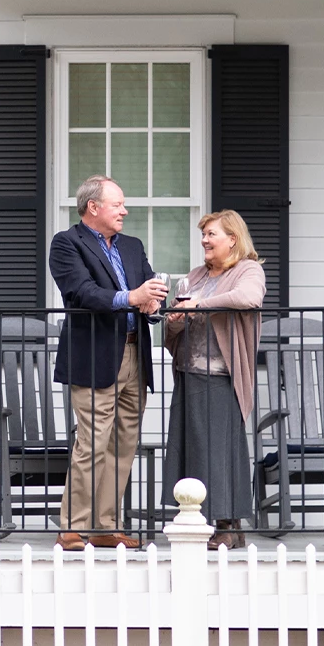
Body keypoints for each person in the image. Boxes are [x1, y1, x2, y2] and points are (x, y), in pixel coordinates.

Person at [49, 175, 167, 550]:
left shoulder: (132, 246)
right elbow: (82, 292)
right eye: (118, 205)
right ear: (93, 207)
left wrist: (153, 304)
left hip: (134, 352)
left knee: (124, 442)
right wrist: (133, 296)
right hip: (95, 354)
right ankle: (72, 525)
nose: (124, 211)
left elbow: (148, 288)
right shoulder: (67, 243)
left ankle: (105, 525)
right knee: (94, 440)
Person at [161, 209, 266, 549]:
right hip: (189, 372)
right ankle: (205, 522)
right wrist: (176, 317)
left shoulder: (247, 270)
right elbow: (177, 324)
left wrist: (200, 305)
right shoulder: (195, 275)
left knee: (220, 450)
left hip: (221, 375)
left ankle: (227, 524)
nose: (204, 240)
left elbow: (249, 298)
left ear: (232, 239)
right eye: (203, 235)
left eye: (211, 234)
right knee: (193, 449)